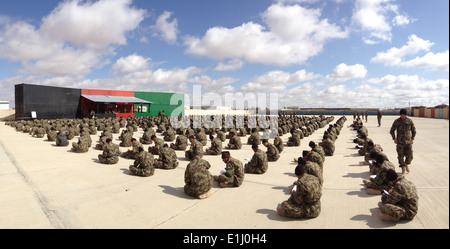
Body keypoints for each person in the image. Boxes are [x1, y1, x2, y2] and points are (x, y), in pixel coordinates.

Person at [390, 108, 416, 174]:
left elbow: (414, 130)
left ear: (406, 114)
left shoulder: (409, 121)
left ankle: (406, 163)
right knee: (400, 156)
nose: (402, 116)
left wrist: (412, 138)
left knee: (410, 156)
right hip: (400, 142)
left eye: (404, 114)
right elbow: (392, 130)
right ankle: (403, 168)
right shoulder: (397, 121)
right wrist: (394, 138)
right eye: (401, 114)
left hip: (408, 142)